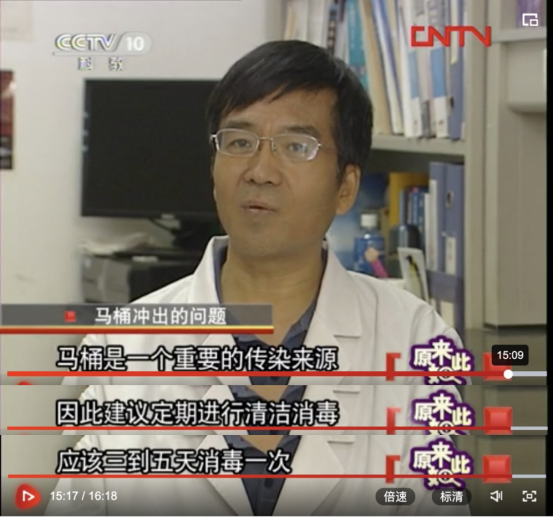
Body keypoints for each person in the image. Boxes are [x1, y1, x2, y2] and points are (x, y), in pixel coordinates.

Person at [49, 40, 470, 516]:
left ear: (346, 186)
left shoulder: (416, 339)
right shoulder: (122, 346)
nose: (261, 171)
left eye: (296, 146)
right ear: (213, 168)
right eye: (239, 142)